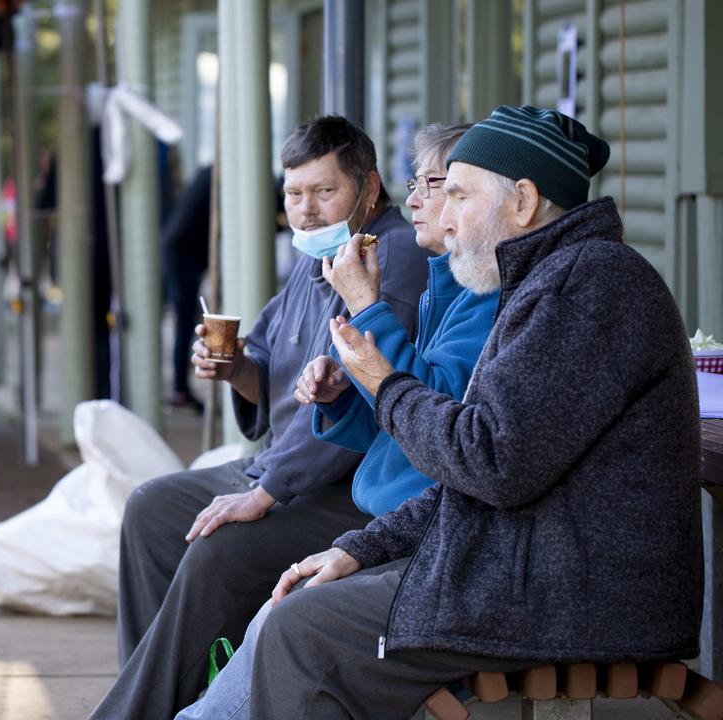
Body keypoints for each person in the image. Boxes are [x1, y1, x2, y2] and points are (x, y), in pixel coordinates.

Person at [248, 105, 702, 719]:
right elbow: (486, 467)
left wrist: (383, 382)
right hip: (528, 568)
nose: (447, 218)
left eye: (459, 195)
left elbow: (488, 461)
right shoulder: (548, 280)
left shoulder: (587, 285)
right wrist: (363, 545)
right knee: (307, 604)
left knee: (303, 632)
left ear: (522, 201)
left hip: (574, 596)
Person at [89, 116, 433, 720]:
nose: (306, 210)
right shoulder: (315, 254)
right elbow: (269, 357)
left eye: (325, 192)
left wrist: (269, 490)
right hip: (275, 469)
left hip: (347, 488)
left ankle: (134, 712)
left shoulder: (391, 257)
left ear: (370, 189)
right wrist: (235, 368)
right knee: (150, 508)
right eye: (294, 194)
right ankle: (164, 698)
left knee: (218, 547)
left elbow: (366, 393)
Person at [174, 121, 502, 718]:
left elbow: (437, 430)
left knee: (272, 600)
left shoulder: (446, 278)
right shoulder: (439, 282)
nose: (420, 200)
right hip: (390, 513)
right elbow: (392, 416)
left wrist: (365, 309)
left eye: (446, 188)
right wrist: (336, 398)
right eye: (293, 194)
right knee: (170, 520)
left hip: (408, 524)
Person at [161, 165, 212, 411]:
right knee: (184, 320)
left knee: (187, 319)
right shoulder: (219, 177)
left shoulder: (209, 173)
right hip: (183, 253)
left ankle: (181, 388)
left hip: (181, 250)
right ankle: (180, 390)